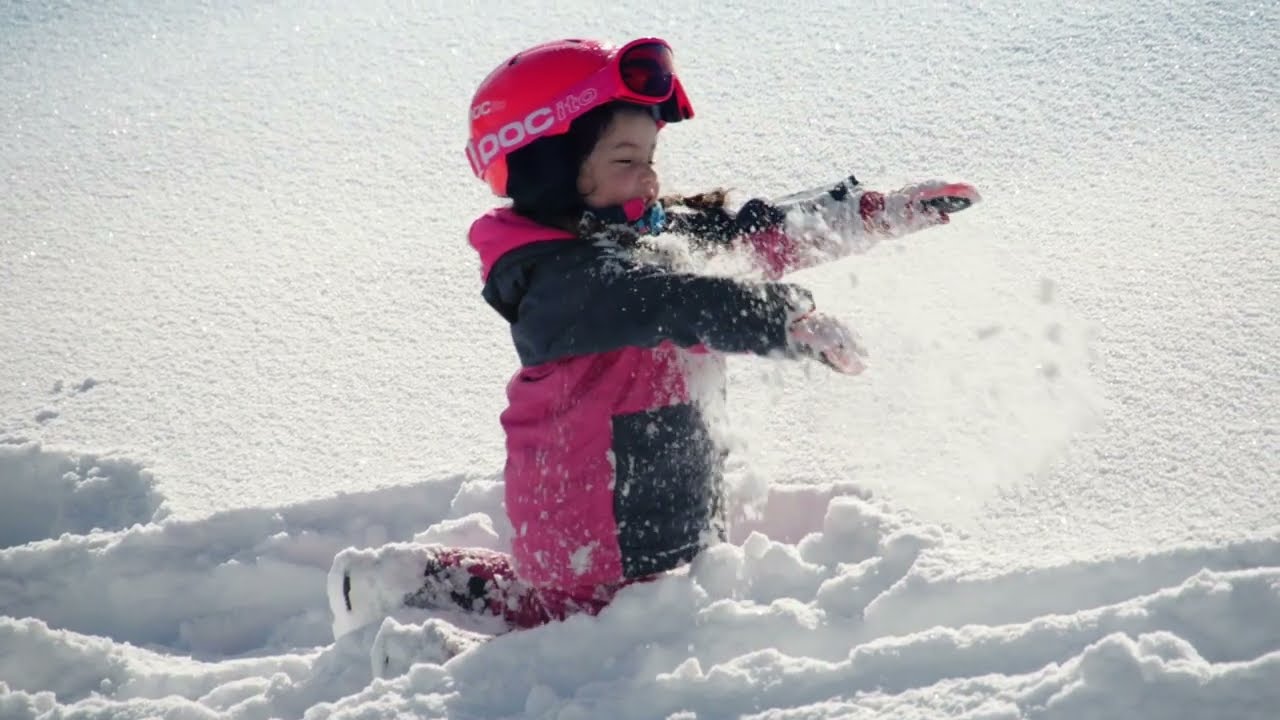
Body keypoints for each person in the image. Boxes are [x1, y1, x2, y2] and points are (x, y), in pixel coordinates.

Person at [359, 37, 978, 631]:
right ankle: (427, 650)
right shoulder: (560, 280)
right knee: (582, 635)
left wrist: (871, 213)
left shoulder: (646, 234)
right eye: (626, 161)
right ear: (548, 169)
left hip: (660, 489)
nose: (649, 179)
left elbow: (753, 237)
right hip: (591, 516)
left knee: (591, 610)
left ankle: (400, 579)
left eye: (649, 160)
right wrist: (783, 321)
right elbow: (670, 300)